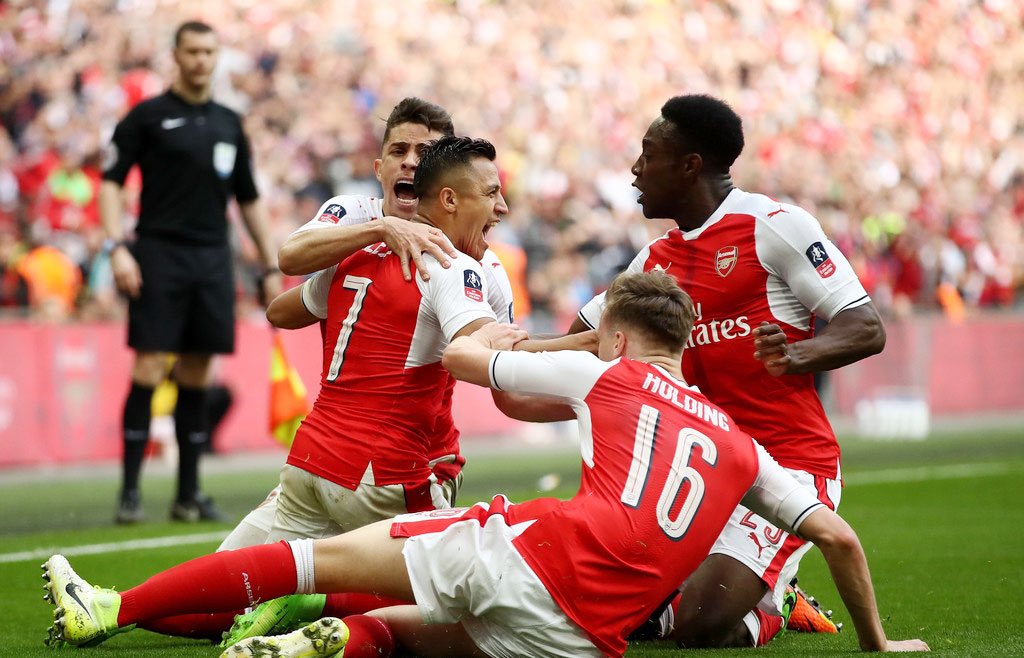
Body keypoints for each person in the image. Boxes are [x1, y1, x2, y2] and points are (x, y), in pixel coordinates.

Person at [42, 271, 929, 658]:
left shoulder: (603, 370)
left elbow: (471, 366)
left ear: (617, 332)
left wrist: (491, 329)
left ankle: (111, 609)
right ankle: (311, 635)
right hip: (583, 638)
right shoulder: (743, 446)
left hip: (534, 550)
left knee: (310, 556)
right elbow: (843, 540)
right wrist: (881, 645)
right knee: (404, 632)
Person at [568, 94, 887, 647]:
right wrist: (507, 352)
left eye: (648, 154)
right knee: (614, 612)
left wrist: (796, 356)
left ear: (690, 165)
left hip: (789, 463)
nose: (635, 169)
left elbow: (865, 326)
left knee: (703, 628)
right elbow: (585, 337)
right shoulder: (653, 261)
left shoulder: (774, 226)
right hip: (702, 467)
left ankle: (778, 605)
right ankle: (692, 596)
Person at [99, 20, 281, 524]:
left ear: (217, 56)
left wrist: (269, 263)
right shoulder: (146, 117)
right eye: (192, 51)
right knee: (151, 366)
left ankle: (188, 492)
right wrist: (116, 247)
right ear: (175, 56)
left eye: (209, 51)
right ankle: (131, 492)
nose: (201, 59)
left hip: (212, 260)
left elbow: (248, 199)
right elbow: (110, 182)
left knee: (198, 373)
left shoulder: (228, 122)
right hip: (157, 254)